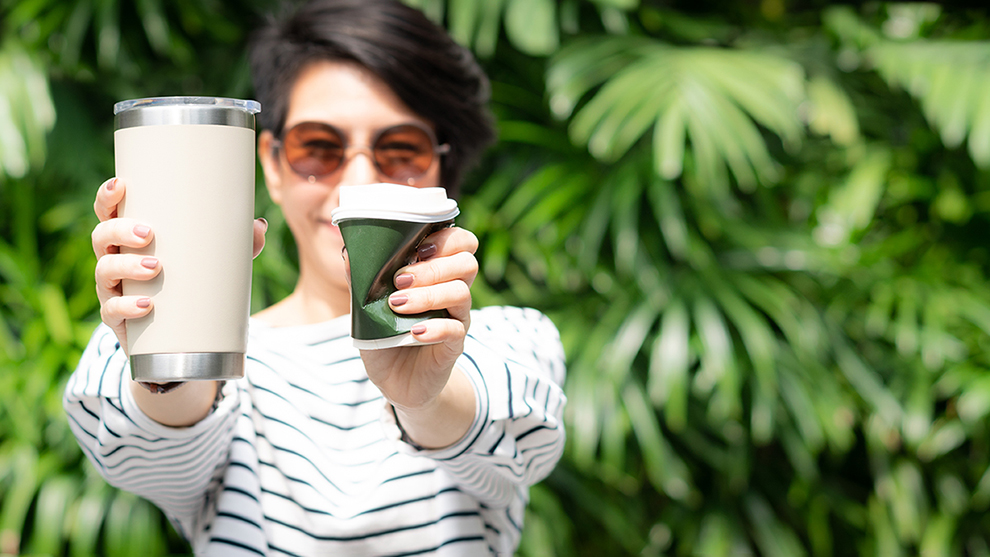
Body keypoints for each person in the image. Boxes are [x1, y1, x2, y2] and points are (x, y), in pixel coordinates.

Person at [62, 1, 567, 555]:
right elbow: (148, 459)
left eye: (401, 151)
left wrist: (426, 397)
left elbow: (522, 441)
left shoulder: (506, 341)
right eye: (318, 150)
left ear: (441, 172)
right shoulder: (189, 360)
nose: (356, 181)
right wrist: (167, 342)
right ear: (270, 165)